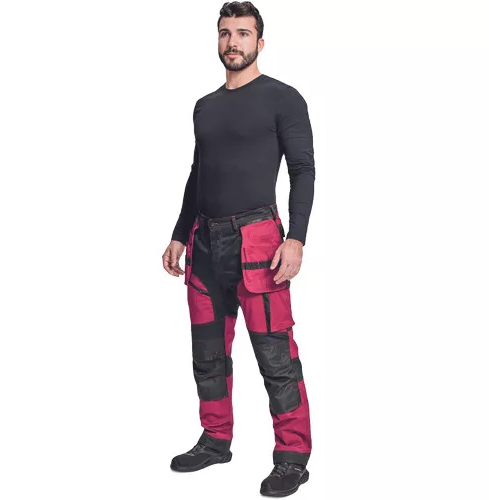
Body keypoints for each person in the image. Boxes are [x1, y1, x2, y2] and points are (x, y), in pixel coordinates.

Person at [162, 1, 315, 497]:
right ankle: (215, 439)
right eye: (226, 33)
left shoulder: (283, 99)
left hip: (259, 241)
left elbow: (303, 170)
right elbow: (198, 173)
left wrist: (296, 238)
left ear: (260, 43)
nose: (233, 42)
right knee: (208, 352)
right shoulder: (204, 106)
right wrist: (179, 233)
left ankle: (292, 457)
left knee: (275, 355)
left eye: (243, 33)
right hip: (204, 243)